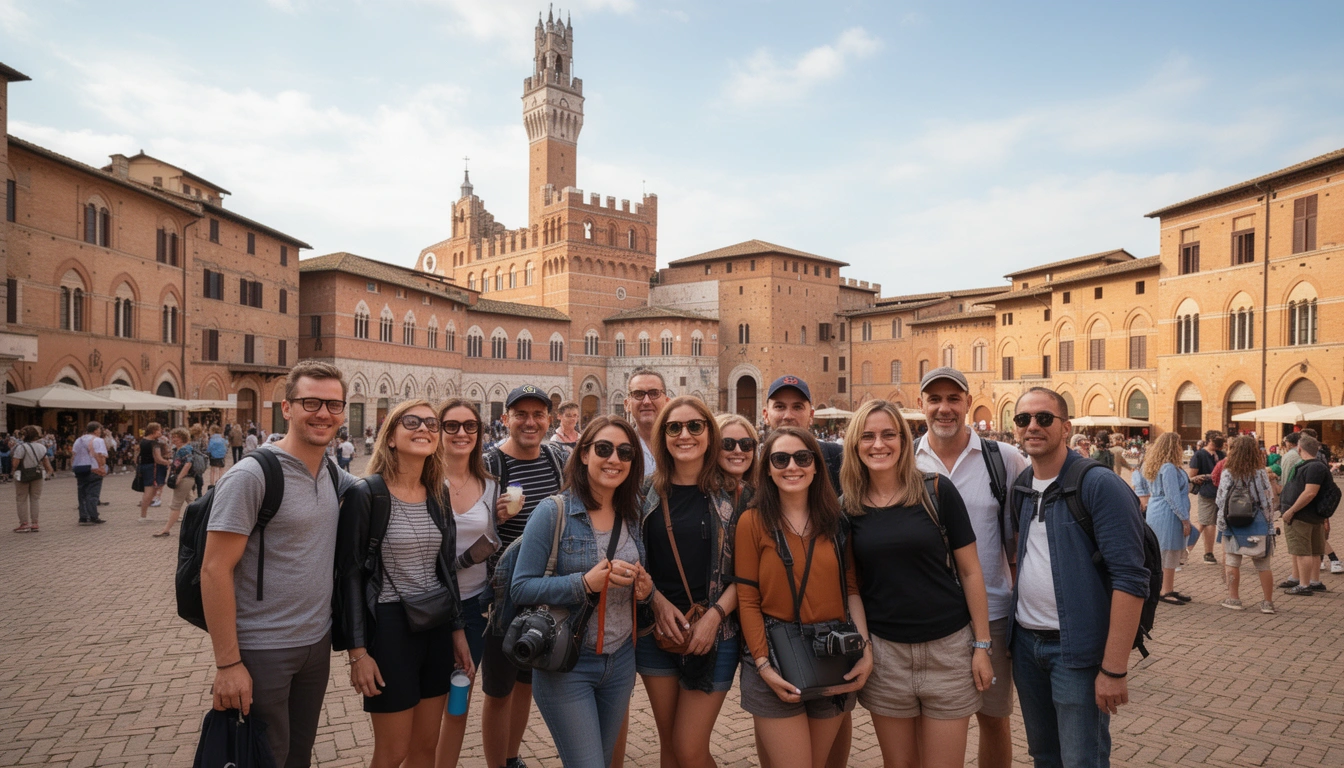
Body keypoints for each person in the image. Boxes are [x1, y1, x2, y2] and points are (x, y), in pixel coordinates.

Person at [202, 361, 358, 767]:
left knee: (297, 756)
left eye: (333, 404)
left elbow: (382, 493)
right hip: (262, 648)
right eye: (310, 402)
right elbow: (214, 570)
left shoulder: (331, 471)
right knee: (263, 758)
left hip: (316, 643)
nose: (323, 413)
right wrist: (228, 663)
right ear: (286, 408)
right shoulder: (252, 476)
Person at [845, 399, 993, 768]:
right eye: (867, 436)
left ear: (903, 440)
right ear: (855, 445)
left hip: (948, 650)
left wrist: (982, 645)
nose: (878, 444)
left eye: (888, 435)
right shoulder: (846, 509)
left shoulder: (937, 491)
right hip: (886, 656)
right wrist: (864, 646)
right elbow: (852, 589)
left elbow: (972, 571)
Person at [1009, 387, 1148, 768]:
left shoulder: (1099, 484)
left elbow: (1131, 579)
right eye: (1023, 420)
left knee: (1081, 759)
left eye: (1044, 418)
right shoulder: (1021, 486)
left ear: (1066, 427)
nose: (1032, 426)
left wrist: (1114, 668)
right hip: (1025, 644)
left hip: (1076, 652)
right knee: (1045, 755)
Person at [335, 399, 472, 768]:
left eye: (431, 423)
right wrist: (358, 653)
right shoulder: (367, 494)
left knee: (425, 748)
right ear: (391, 436)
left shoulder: (438, 493)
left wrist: (458, 632)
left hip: (437, 624)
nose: (424, 428)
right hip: (390, 627)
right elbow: (349, 576)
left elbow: (446, 567)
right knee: (393, 752)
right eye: (412, 421)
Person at [511, 416, 653, 768]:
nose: (614, 459)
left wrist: (645, 591)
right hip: (568, 663)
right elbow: (520, 587)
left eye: (625, 452)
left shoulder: (633, 512)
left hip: (620, 661)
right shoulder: (553, 511)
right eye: (603, 449)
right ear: (584, 454)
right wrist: (584, 584)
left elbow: (641, 585)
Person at [735, 426, 872, 768]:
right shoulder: (752, 522)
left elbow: (850, 589)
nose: (791, 466)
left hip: (831, 653)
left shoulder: (836, 522)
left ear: (815, 466)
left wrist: (865, 650)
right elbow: (748, 598)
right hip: (775, 654)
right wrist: (763, 666)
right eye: (780, 459)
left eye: (802, 457)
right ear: (767, 468)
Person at [914, 368, 1029, 768]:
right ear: (921, 405)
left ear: (967, 403)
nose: (944, 408)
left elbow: (1021, 535)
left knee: (994, 719)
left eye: (953, 399)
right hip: (922, 617)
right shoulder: (905, 460)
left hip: (992, 613)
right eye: (935, 399)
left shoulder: (1005, 460)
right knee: (924, 724)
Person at [638, 396, 740, 768]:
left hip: (715, 635)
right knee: (669, 746)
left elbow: (750, 573)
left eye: (695, 426)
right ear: (662, 435)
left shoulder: (733, 494)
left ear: (709, 434)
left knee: (689, 748)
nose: (685, 435)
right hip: (656, 632)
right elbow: (632, 559)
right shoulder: (643, 493)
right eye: (674, 427)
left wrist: (714, 617)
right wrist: (657, 601)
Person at [481, 385, 571, 768]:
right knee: (499, 691)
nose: (530, 422)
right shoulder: (489, 465)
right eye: (521, 414)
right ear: (506, 419)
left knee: (526, 683)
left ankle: (512, 757)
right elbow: (466, 531)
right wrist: (492, 519)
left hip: (543, 593)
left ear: (548, 420)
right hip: (503, 597)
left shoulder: (557, 459)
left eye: (538, 415)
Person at [434, 398, 501, 768]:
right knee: (423, 704)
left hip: (473, 608)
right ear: (439, 430)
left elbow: (491, 538)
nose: (462, 433)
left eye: (470, 426)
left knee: (458, 702)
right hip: (427, 607)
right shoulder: (422, 480)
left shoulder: (490, 486)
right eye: (452, 426)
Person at [1215, 435, 1278, 613]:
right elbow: (1267, 500)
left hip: (1233, 522)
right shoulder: (1260, 473)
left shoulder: (1228, 472)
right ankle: (1267, 602)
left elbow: (1220, 499)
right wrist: (1269, 524)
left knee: (1233, 561)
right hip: (1257, 521)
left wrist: (1221, 523)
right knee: (1263, 565)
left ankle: (1234, 598)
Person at [1138, 432, 1193, 605]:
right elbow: (1172, 496)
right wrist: (1184, 519)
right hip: (1168, 513)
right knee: (1168, 551)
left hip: (1158, 508)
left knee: (1165, 550)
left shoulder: (1155, 465)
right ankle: (1165, 589)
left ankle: (1165, 587)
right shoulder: (1168, 467)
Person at [763, 376, 842, 494]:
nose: (788, 416)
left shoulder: (838, 458)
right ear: (766, 415)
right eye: (779, 407)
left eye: (797, 407)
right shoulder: (752, 463)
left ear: (811, 415)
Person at [1280, 435, 1331, 596]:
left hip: (1303, 515)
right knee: (1315, 550)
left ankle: (1304, 584)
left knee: (1302, 551)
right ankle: (1313, 580)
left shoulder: (1313, 467)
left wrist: (1292, 510)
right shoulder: (1317, 466)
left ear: (1299, 448)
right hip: (1313, 515)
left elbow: (1309, 493)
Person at [624, 368, 670, 476]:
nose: (647, 401)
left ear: (667, 402)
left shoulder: (682, 443)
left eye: (654, 393)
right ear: (627, 404)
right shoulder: (618, 448)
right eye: (638, 394)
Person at [1188, 430, 1226, 564]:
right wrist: (1209, 477)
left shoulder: (1221, 454)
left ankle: (1206, 552)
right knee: (1205, 522)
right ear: (1209, 440)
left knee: (1211, 523)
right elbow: (1192, 476)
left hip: (1221, 493)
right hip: (1207, 492)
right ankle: (1188, 550)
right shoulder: (1199, 455)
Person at [154, 427, 197, 538]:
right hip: (187, 479)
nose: (173, 440)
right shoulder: (183, 449)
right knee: (192, 502)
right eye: (173, 438)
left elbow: (188, 463)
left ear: (182, 438)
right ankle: (203, 522)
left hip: (184, 479)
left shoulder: (184, 449)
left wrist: (179, 477)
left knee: (176, 505)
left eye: (176, 438)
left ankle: (166, 529)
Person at [715, 413, 759, 515]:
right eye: (727, 443)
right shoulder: (702, 494)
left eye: (746, 444)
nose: (738, 450)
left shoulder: (763, 494)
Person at [12, 425, 54, 533]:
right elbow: (46, 462)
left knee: (21, 499)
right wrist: (49, 472)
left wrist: (12, 471)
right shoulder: (41, 447)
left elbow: (15, 463)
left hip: (23, 475)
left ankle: (24, 523)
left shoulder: (21, 447)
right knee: (35, 498)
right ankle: (35, 523)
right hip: (37, 475)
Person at [72, 421, 109, 526]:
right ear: (96, 430)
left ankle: (83, 516)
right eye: (100, 429)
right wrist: (102, 467)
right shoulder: (98, 440)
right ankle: (93, 515)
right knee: (92, 494)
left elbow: (74, 455)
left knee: (82, 493)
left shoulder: (78, 440)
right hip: (94, 469)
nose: (100, 431)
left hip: (80, 468)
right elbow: (101, 455)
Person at [137, 423, 171, 522]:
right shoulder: (154, 444)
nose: (160, 432)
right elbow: (158, 458)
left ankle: (143, 514)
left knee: (150, 491)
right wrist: (168, 462)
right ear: (154, 431)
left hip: (144, 467)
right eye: (159, 430)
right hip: (153, 468)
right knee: (149, 491)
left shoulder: (143, 441)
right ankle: (143, 516)